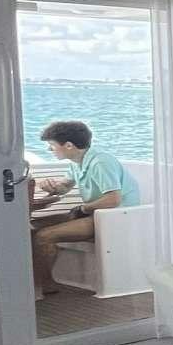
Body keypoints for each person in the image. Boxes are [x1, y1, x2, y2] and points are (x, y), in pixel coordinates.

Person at [32, 119, 140, 293]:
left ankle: (42, 286)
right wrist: (52, 187)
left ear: (68, 145)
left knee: (44, 236)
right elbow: (65, 186)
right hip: (96, 214)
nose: (49, 150)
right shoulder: (77, 162)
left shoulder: (100, 162)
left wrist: (83, 209)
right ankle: (40, 282)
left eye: (52, 145)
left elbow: (113, 199)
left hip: (115, 217)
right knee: (33, 229)